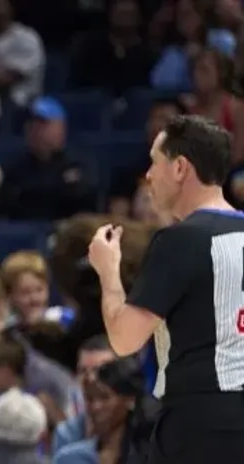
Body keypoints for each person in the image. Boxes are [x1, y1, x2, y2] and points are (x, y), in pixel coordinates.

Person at [88, 114, 244, 463]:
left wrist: (108, 272)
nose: (148, 176)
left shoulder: (181, 239)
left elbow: (125, 339)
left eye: (154, 163)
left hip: (201, 424)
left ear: (180, 168)